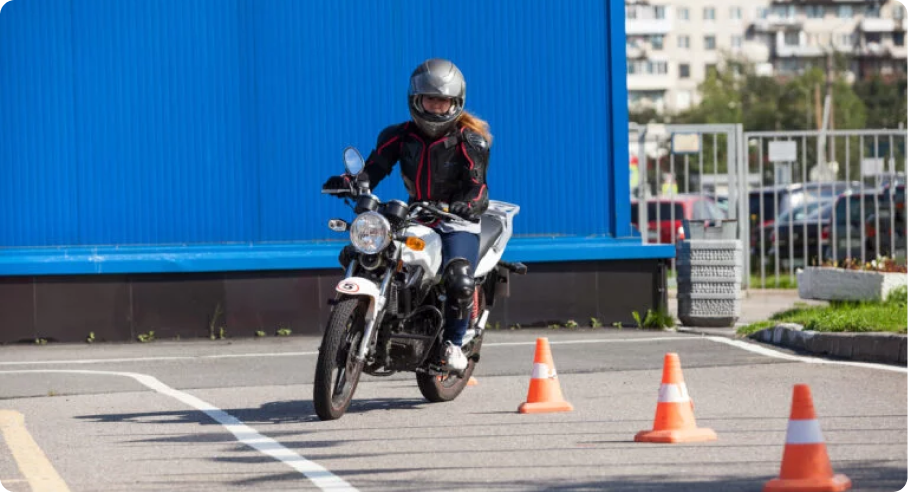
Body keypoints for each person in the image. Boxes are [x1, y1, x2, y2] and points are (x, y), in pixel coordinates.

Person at [322, 58, 492, 372]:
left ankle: (454, 344)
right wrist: (349, 183)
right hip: (417, 214)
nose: (435, 106)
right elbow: (373, 170)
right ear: (416, 99)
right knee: (364, 253)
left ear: (455, 103)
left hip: (455, 220)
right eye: (430, 99)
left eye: (442, 101)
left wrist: (467, 204)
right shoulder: (397, 135)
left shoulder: (470, 140)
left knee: (459, 279)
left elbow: (477, 186)